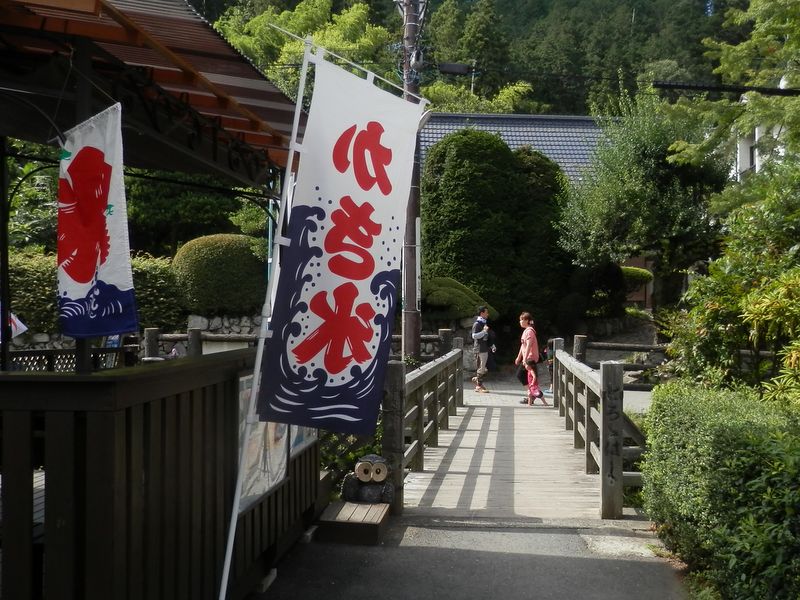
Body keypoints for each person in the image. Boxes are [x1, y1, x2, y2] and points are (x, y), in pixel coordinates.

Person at [514, 312, 540, 393]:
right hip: (527, 358)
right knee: (527, 377)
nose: (520, 322)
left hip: (530, 358)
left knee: (520, 375)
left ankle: (532, 393)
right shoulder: (526, 331)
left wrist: (524, 360)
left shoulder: (529, 331)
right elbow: (523, 346)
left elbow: (529, 345)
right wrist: (519, 357)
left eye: (522, 320)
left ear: (527, 320)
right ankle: (532, 394)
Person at [471, 306, 491, 392]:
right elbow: (474, 336)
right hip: (479, 348)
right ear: (482, 313)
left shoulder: (484, 323)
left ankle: (477, 380)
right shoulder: (477, 324)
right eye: (486, 312)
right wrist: (484, 331)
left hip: (484, 348)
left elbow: (486, 337)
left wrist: (491, 345)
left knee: (483, 368)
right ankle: (478, 386)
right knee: (481, 368)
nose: (488, 314)